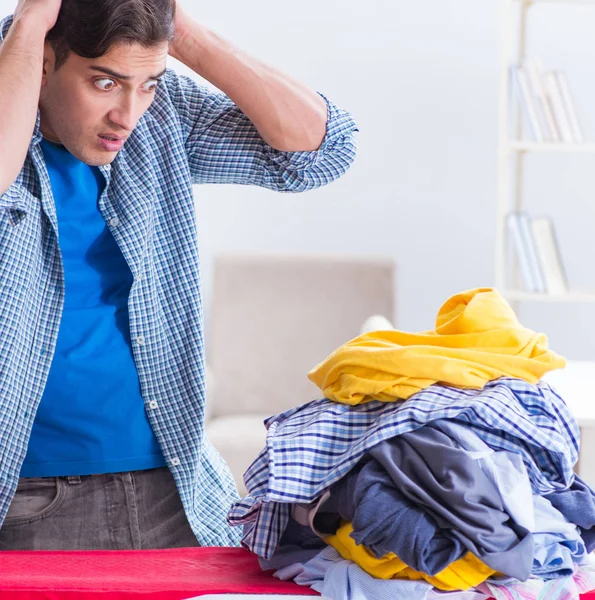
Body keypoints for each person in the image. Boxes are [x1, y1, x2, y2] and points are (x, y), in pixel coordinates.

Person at [0, 0, 358, 550]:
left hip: (178, 489)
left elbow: (318, 152)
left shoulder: (158, 114)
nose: (128, 113)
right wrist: (26, 26)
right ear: (45, 60)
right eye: (105, 83)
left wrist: (179, 30)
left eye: (148, 84)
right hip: (30, 498)